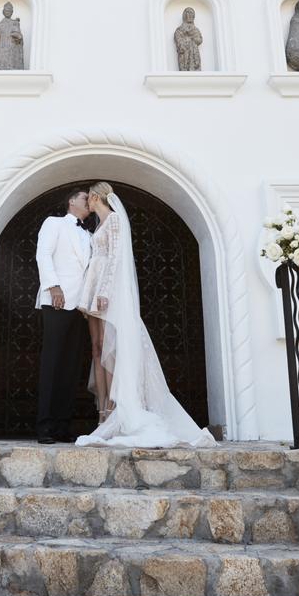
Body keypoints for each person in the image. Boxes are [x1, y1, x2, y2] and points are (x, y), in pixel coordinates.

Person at [76, 181, 216, 448]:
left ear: (96, 197)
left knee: (110, 347)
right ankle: (102, 410)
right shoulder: (98, 225)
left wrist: (104, 291)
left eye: (89, 198)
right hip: (92, 289)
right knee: (96, 348)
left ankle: (114, 407)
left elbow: (116, 258)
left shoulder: (115, 220)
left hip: (108, 290)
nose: (87, 203)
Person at [35, 187, 91, 443]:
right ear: (71, 202)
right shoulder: (54, 223)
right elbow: (43, 254)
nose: (89, 202)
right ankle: (44, 426)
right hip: (56, 300)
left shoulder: (89, 234)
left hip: (80, 307)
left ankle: (62, 425)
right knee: (52, 364)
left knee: (71, 367)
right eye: (84, 198)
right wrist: (53, 286)